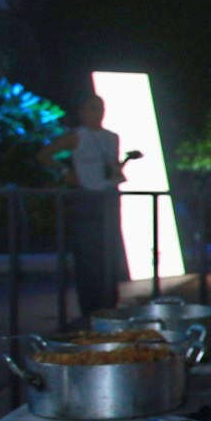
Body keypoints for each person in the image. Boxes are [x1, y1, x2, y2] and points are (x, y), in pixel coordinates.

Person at [38, 93, 139, 320]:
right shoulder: (76, 136)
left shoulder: (112, 137)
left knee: (109, 253)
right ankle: (90, 310)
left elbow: (111, 165)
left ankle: (109, 306)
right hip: (87, 198)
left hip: (108, 196)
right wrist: (66, 172)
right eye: (92, 109)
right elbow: (44, 155)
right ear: (82, 112)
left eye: (99, 108)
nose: (97, 113)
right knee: (88, 256)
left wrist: (119, 169)